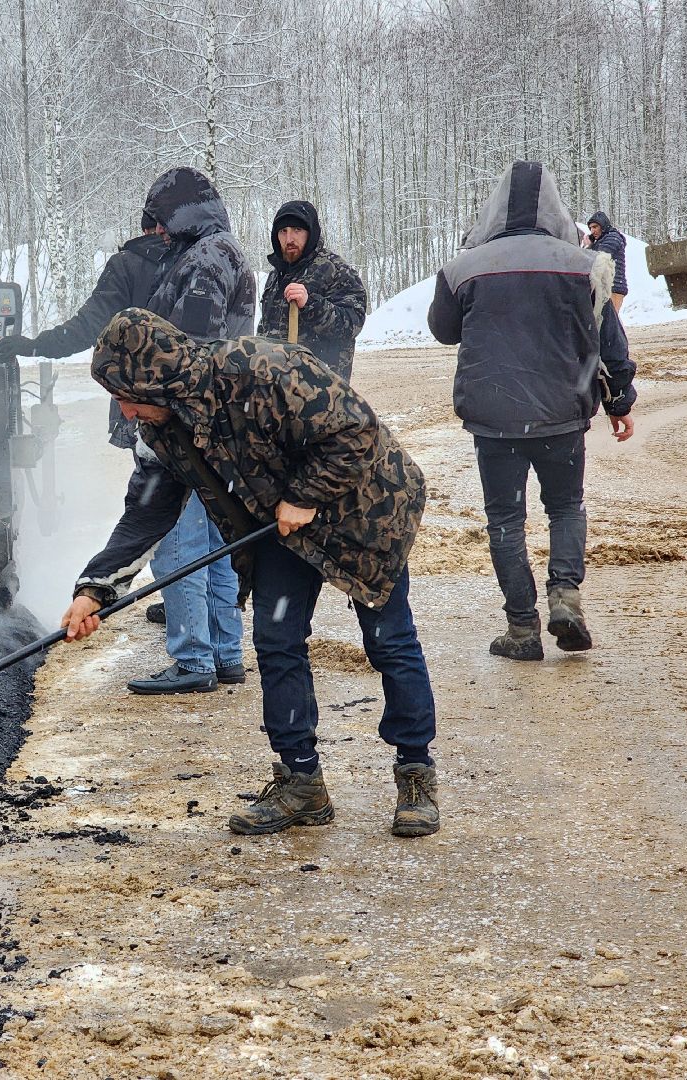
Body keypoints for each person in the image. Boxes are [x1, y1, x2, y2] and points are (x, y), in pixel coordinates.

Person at [63, 308, 440, 838]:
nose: (124, 411)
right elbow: (146, 513)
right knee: (277, 641)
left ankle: (415, 772)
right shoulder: (163, 428)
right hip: (280, 527)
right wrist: (95, 588)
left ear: (156, 379)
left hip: (364, 510)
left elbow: (356, 430)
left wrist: (305, 495)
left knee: (388, 640)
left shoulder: (258, 369)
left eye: (127, 395)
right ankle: (302, 784)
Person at [428, 161, 637, 661]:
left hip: (494, 418)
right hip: (561, 412)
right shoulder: (585, 266)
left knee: (505, 519)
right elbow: (609, 339)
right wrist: (619, 400)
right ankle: (564, 595)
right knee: (565, 507)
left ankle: (522, 629)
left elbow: (443, 329)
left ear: (496, 208)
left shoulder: (464, 268)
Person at [121, 166, 257, 694]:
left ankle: (193, 658)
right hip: (222, 427)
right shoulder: (225, 253)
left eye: (160, 220)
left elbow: (186, 354)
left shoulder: (203, 262)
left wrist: (155, 414)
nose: (156, 231)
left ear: (182, 214)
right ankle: (225, 652)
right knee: (216, 544)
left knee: (178, 543)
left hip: (187, 429)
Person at [0, 213, 176, 448]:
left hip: (142, 404)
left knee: (153, 466)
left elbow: (86, 327)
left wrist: (35, 345)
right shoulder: (201, 258)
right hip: (197, 404)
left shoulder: (127, 265)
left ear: (146, 230)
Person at [256, 200, 367, 381]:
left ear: (310, 232)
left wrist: (310, 304)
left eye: (297, 230)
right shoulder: (276, 275)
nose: (289, 239)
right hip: (277, 385)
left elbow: (352, 325)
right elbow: (265, 328)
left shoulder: (335, 270)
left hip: (320, 386)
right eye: (283, 231)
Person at [586, 211, 629, 313]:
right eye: (590, 228)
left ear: (603, 225)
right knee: (608, 319)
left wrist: (589, 246)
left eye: (595, 227)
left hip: (613, 287)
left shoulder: (613, 237)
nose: (592, 231)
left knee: (610, 319)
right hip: (606, 287)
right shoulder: (602, 241)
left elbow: (600, 257)